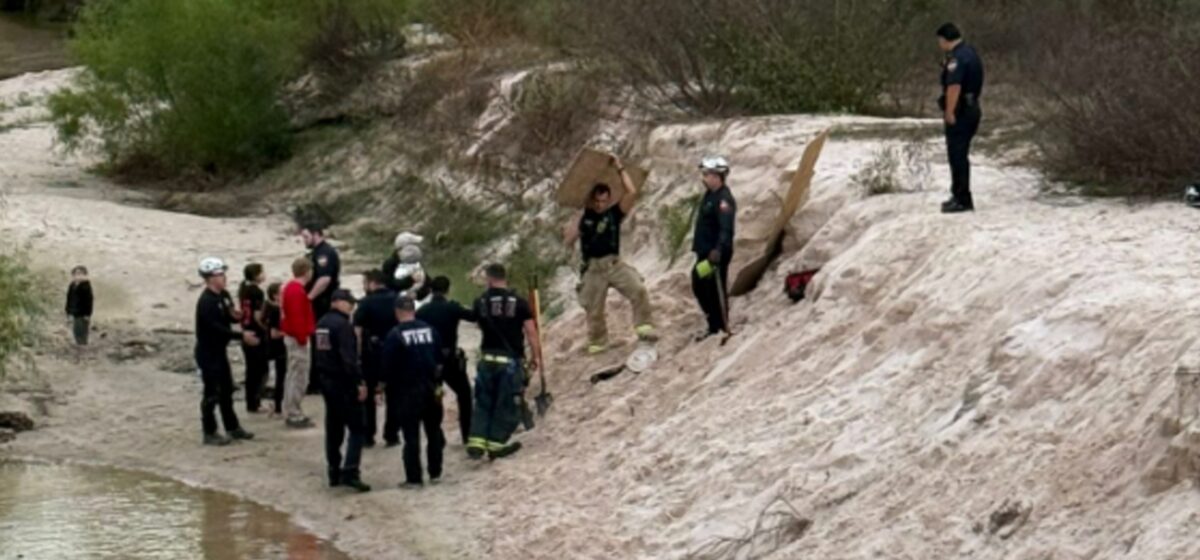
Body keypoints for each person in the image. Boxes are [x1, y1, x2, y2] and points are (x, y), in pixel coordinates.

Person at [562, 156, 655, 354]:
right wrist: (579, 213)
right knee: (593, 309)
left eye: (604, 201)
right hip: (593, 268)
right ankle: (598, 342)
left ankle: (644, 327)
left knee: (638, 289)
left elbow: (632, 192)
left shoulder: (614, 214)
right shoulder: (584, 217)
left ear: (609, 200)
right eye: (597, 201)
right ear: (592, 200)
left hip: (613, 264)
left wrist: (620, 168)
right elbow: (568, 239)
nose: (600, 205)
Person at [467, 264, 541, 460]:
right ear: (504, 278)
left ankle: (476, 442)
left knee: (483, 401)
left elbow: (478, 325)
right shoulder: (519, 302)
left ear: (489, 279)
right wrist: (535, 357)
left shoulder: (481, 301)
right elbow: (531, 332)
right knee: (505, 404)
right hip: (509, 362)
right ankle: (495, 444)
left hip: (487, 359)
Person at [381, 292, 446, 487]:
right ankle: (435, 472)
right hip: (432, 387)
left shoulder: (395, 334)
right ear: (413, 310)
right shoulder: (431, 330)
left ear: (397, 312)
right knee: (433, 431)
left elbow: (387, 365)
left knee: (411, 436)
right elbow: (440, 358)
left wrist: (381, 387)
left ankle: (414, 478)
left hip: (407, 390)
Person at [193, 257, 257, 446]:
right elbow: (216, 328)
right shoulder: (206, 302)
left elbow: (229, 315)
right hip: (208, 352)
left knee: (227, 390)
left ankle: (232, 427)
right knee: (211, 393)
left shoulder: (224, 295)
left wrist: (237, 317)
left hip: (220, 351)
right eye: (220, 274)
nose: (224, 277)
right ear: (210, 278)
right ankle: (209, 431)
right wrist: (241, 336)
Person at [313, 289, 371, 492]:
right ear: (337, 302)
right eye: (349, 303)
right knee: (357, 427)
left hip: (326, 380)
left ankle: (334, 471)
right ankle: (351, 471)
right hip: (343, 382)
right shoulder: (343, 325)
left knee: (334, 427)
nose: (351, 307)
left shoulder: (322, 323)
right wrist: (359, 382)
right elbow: (349, 359)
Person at [416, 275, 477, 445]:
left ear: (431, 290)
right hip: (450, 360)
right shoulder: (452, 308)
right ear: (448, 290)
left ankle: (437, 435)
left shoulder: (422, 311)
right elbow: (473, 316)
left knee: (434, 397)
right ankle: (467, 434)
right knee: (464, 394)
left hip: (430, 360)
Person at [937, 22, 985, 214]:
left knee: (957, 155)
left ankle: (962, 199)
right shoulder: (970, 52)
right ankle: (958, 194)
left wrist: (949, 111)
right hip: (972, 107)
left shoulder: (957, 58)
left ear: (944, 39)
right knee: (959, 153)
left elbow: (954, 87)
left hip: (961, 111)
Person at [692, 156, 738, 340]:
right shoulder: (710, 195)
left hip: (715, 255)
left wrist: (718, 249)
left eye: (707, 174)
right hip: (705, 253)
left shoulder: (723, 199)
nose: (704, 178)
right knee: (701, 284)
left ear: (717, 176)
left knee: (713, 287)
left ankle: (721, 325)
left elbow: (726, 228)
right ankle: (714, 323)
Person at [353, 269, 397, 447]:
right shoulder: (396, 299)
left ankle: (368, 435)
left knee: (368, 395)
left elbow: (357, 332)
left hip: (372, 353)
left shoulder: (366, 303)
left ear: (372, 283)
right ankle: (391, 434)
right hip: (394, 353)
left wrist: (357, 356)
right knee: (394, 395)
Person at [302, 224, 341, 394]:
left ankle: (319, 380)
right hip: (318, 304)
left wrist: (309, 297)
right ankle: (316, 379)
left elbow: (324, 279)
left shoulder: (324, 253)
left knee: (321, 341)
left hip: (322, 304)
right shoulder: (315, 253)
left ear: (316, 234)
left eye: (306, 237)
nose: (304, 240)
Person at [280, 257, 316, 429]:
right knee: (299, 376)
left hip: (294, 336)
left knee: (294, 375)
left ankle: (290, 409)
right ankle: (293, 413)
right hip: (297, 338)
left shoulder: (290, 288)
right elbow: (297, 317)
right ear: (307, 271)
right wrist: (302, 337)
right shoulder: (296, 290)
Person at [238, 263, 269, 413]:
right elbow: (257, 316)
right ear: (256, 275)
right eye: (262, 272)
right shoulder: (257, 292)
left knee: (251, 370)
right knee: (260, 369)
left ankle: (251, 402)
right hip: (256, 332)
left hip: (246, 330)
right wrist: (266, 328)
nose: (264, 274)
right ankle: (255, 403)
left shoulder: (243, 289)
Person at [265, 282, 288, 416]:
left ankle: (279, 405)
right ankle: (278, 406)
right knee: (280, 377)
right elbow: (274, 334)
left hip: (279, 347)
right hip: (277, 348)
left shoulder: (277, 309)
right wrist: (289, 333)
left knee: (281, 376)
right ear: (275, 296)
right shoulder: (275, 311)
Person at [65, 265, 93, 346]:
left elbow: (89, 301)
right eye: (76, 274)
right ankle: (79, 343)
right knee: (76, 329)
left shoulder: (86, 286)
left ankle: (83, 343)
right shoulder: (72, 286)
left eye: (80, 274)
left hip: (83, 313)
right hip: (74, 311)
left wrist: (87, 314)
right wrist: (68, 311)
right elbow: (69, 299)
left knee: (82, 329)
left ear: (85, 275)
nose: (78, 276)